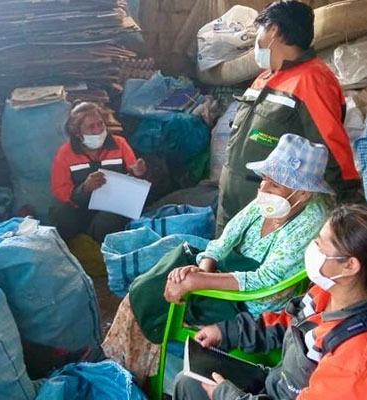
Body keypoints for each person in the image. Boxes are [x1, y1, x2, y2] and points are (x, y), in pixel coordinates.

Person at [102, 134, 332, 380]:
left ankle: (129, 373)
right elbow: (224, 240)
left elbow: (266, 280)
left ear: (304, 193)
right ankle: (126, 366)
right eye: (264, 179)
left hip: (249, 303)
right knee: (148, 287)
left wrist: (199, 282)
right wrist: (204, 269)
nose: (263, 189)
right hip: (225, 274)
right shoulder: (270, 201)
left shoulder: (311, 222)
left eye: (274, 184)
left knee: (151, 299)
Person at [173, 204, 367, 400]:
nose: (311, 251)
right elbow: (288, 322)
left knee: (195, 387)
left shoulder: (362, 359)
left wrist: (228, 397)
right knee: (188, 382)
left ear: (350, 266)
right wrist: (227, 332)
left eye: (320, 245)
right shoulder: (331, 292)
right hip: (282, 387)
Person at [217, 0, 361, 236]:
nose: (257, 39)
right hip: (232, 200)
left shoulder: (312, 81)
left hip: (270, 207)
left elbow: (332, 147)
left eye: (259, 30)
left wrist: (348, 204)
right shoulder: (263, 79)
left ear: (272, 30)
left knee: (256, 268)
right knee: (218, 258)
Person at [49, 101, 148, 242]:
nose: (98, 130)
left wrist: (137, 174)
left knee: (106, 221)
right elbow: (60, 190)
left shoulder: (120, 144)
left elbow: (134, 183)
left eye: (100, 124)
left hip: (114, 208)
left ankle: (103, 251)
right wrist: (84, 189)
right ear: (77, 132)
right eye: (91, 127)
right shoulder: (65, 153)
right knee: (60, 214)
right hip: (81, 209)